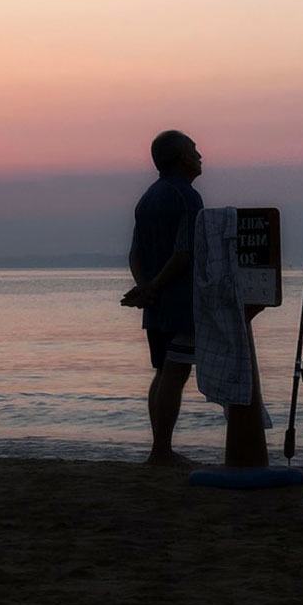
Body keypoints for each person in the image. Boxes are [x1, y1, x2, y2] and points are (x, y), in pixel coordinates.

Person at [121, 130, 204, 465]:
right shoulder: (187, 197)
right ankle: (162, 450)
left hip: (156, 304)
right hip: (180, 302)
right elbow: (185, 252)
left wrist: (146, 287)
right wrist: (154, 287)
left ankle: (159, 448)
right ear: (180, 157)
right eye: (193, 149)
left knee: (162, 372)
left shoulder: (148, 197)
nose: (200, 155)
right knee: (175, 373)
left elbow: (134, 253)